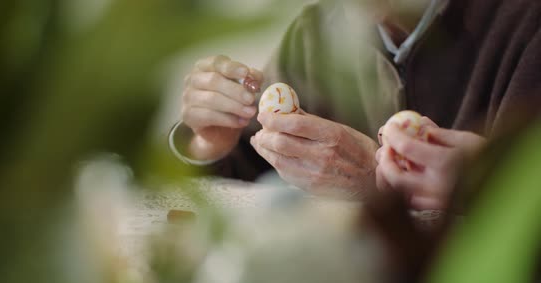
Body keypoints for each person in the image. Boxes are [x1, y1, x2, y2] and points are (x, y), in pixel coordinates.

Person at [170, 0, 541, 204]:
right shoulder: (317, 30)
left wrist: (377, 182)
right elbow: (249, 174)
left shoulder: (526, 25)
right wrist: (211, 143)